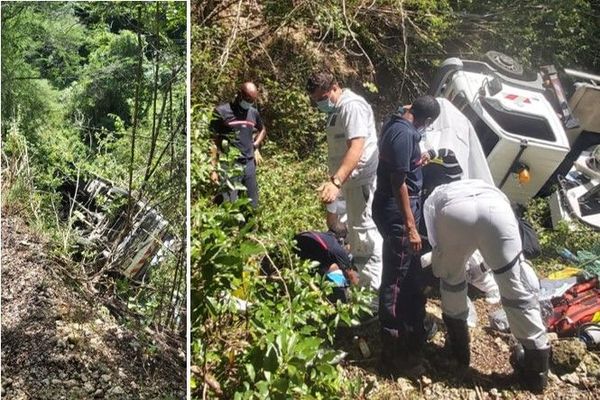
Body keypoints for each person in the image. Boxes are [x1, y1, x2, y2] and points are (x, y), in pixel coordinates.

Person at [423, 178, 551, 393]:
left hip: (453, 213)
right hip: (497, 211)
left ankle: (458, 352)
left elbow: (437, 247)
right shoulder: (485, 185)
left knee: (451, 281)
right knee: (516, 286)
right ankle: (536, 370)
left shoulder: (434, 197)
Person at [371, 95, 441, 376]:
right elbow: (397, 182)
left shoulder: (397, 122)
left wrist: (415, 162)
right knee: (396, 281)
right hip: (399, 214)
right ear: (425, 120)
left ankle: (412, 331)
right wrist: (411, 227)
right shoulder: (403, 134)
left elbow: (399, 168)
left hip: (395, 209)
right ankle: (393, 349)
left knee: (409, 275)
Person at [306, 71, 382, 292]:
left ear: (335, 87)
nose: (320, 103)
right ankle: (361, 286)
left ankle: (373, 293)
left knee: (365, 234)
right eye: (316, 100)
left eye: (322, 98)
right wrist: (334, 180)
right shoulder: (336, 110)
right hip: (348, 183)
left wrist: (336, 182)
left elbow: (356, 147)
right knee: (353, 234)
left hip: (360, 182)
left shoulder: (352, 106)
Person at [210, 82, 267, 208]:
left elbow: (262, 129)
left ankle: (250, 226)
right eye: (248, 100)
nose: (249, 103)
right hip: (230, 165)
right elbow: (213, 141)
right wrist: (213, 169)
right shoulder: (221, 112)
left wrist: (255, 145)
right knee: (229, 204)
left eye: (252, 101)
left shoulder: (253, 112)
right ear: (239, 95)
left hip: (249, 163)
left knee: (253, 204)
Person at [293, 231, 359, 303]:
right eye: (357, 277)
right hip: (305, 244)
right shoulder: (343, 259)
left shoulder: (333, 249)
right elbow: (349, 274)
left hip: (302, 240)